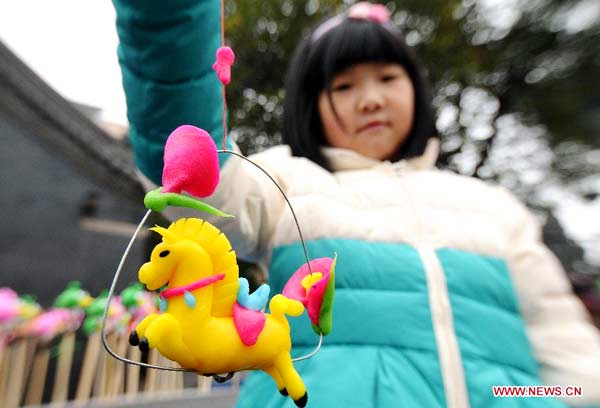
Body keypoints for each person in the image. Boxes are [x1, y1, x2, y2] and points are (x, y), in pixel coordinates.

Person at [112, 1, 600, 407]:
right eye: (343, 86)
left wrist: (531, 396)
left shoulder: (495, 207)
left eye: (387, 78)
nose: (370, 99)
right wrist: (169, 20)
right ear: (311, 104)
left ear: (416, 88)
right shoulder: (283, 180)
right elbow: (187, 173)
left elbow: (568, 357)